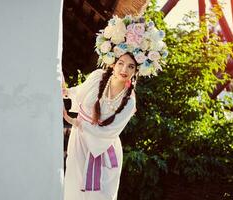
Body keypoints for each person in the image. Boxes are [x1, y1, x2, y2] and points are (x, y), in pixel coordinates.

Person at [62, 15, 167, 200]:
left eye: (130, 66)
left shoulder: (130, 101)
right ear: (113, 64)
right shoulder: (97, 77)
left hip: (103, 148)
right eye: (120, 63)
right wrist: (65, 91)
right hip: (80, 142)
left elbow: (109, 132)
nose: (124, 70)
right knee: (74, 187)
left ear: (136, 72)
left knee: (101, 194)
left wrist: (74, 122)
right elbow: (77, 93)